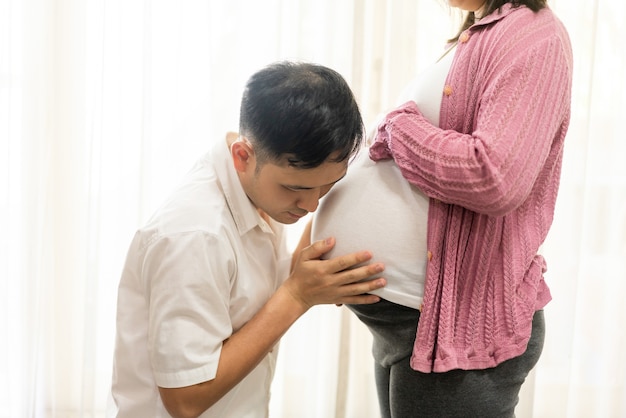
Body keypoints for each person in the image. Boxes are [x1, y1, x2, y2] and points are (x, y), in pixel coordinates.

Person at [307, 1, 573, 417]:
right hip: (410, 324)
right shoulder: (483, 31)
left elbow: (495, 177)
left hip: (456, 330)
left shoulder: (535, 37)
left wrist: (399, 128)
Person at [108, 61, 387, 418]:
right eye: (295, 188)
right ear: (243, 156)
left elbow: (249, 301)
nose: (311, 204)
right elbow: (185, 398)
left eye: (328, 186)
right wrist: (298, 296)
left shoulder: (258, 193)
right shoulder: (195, 237)